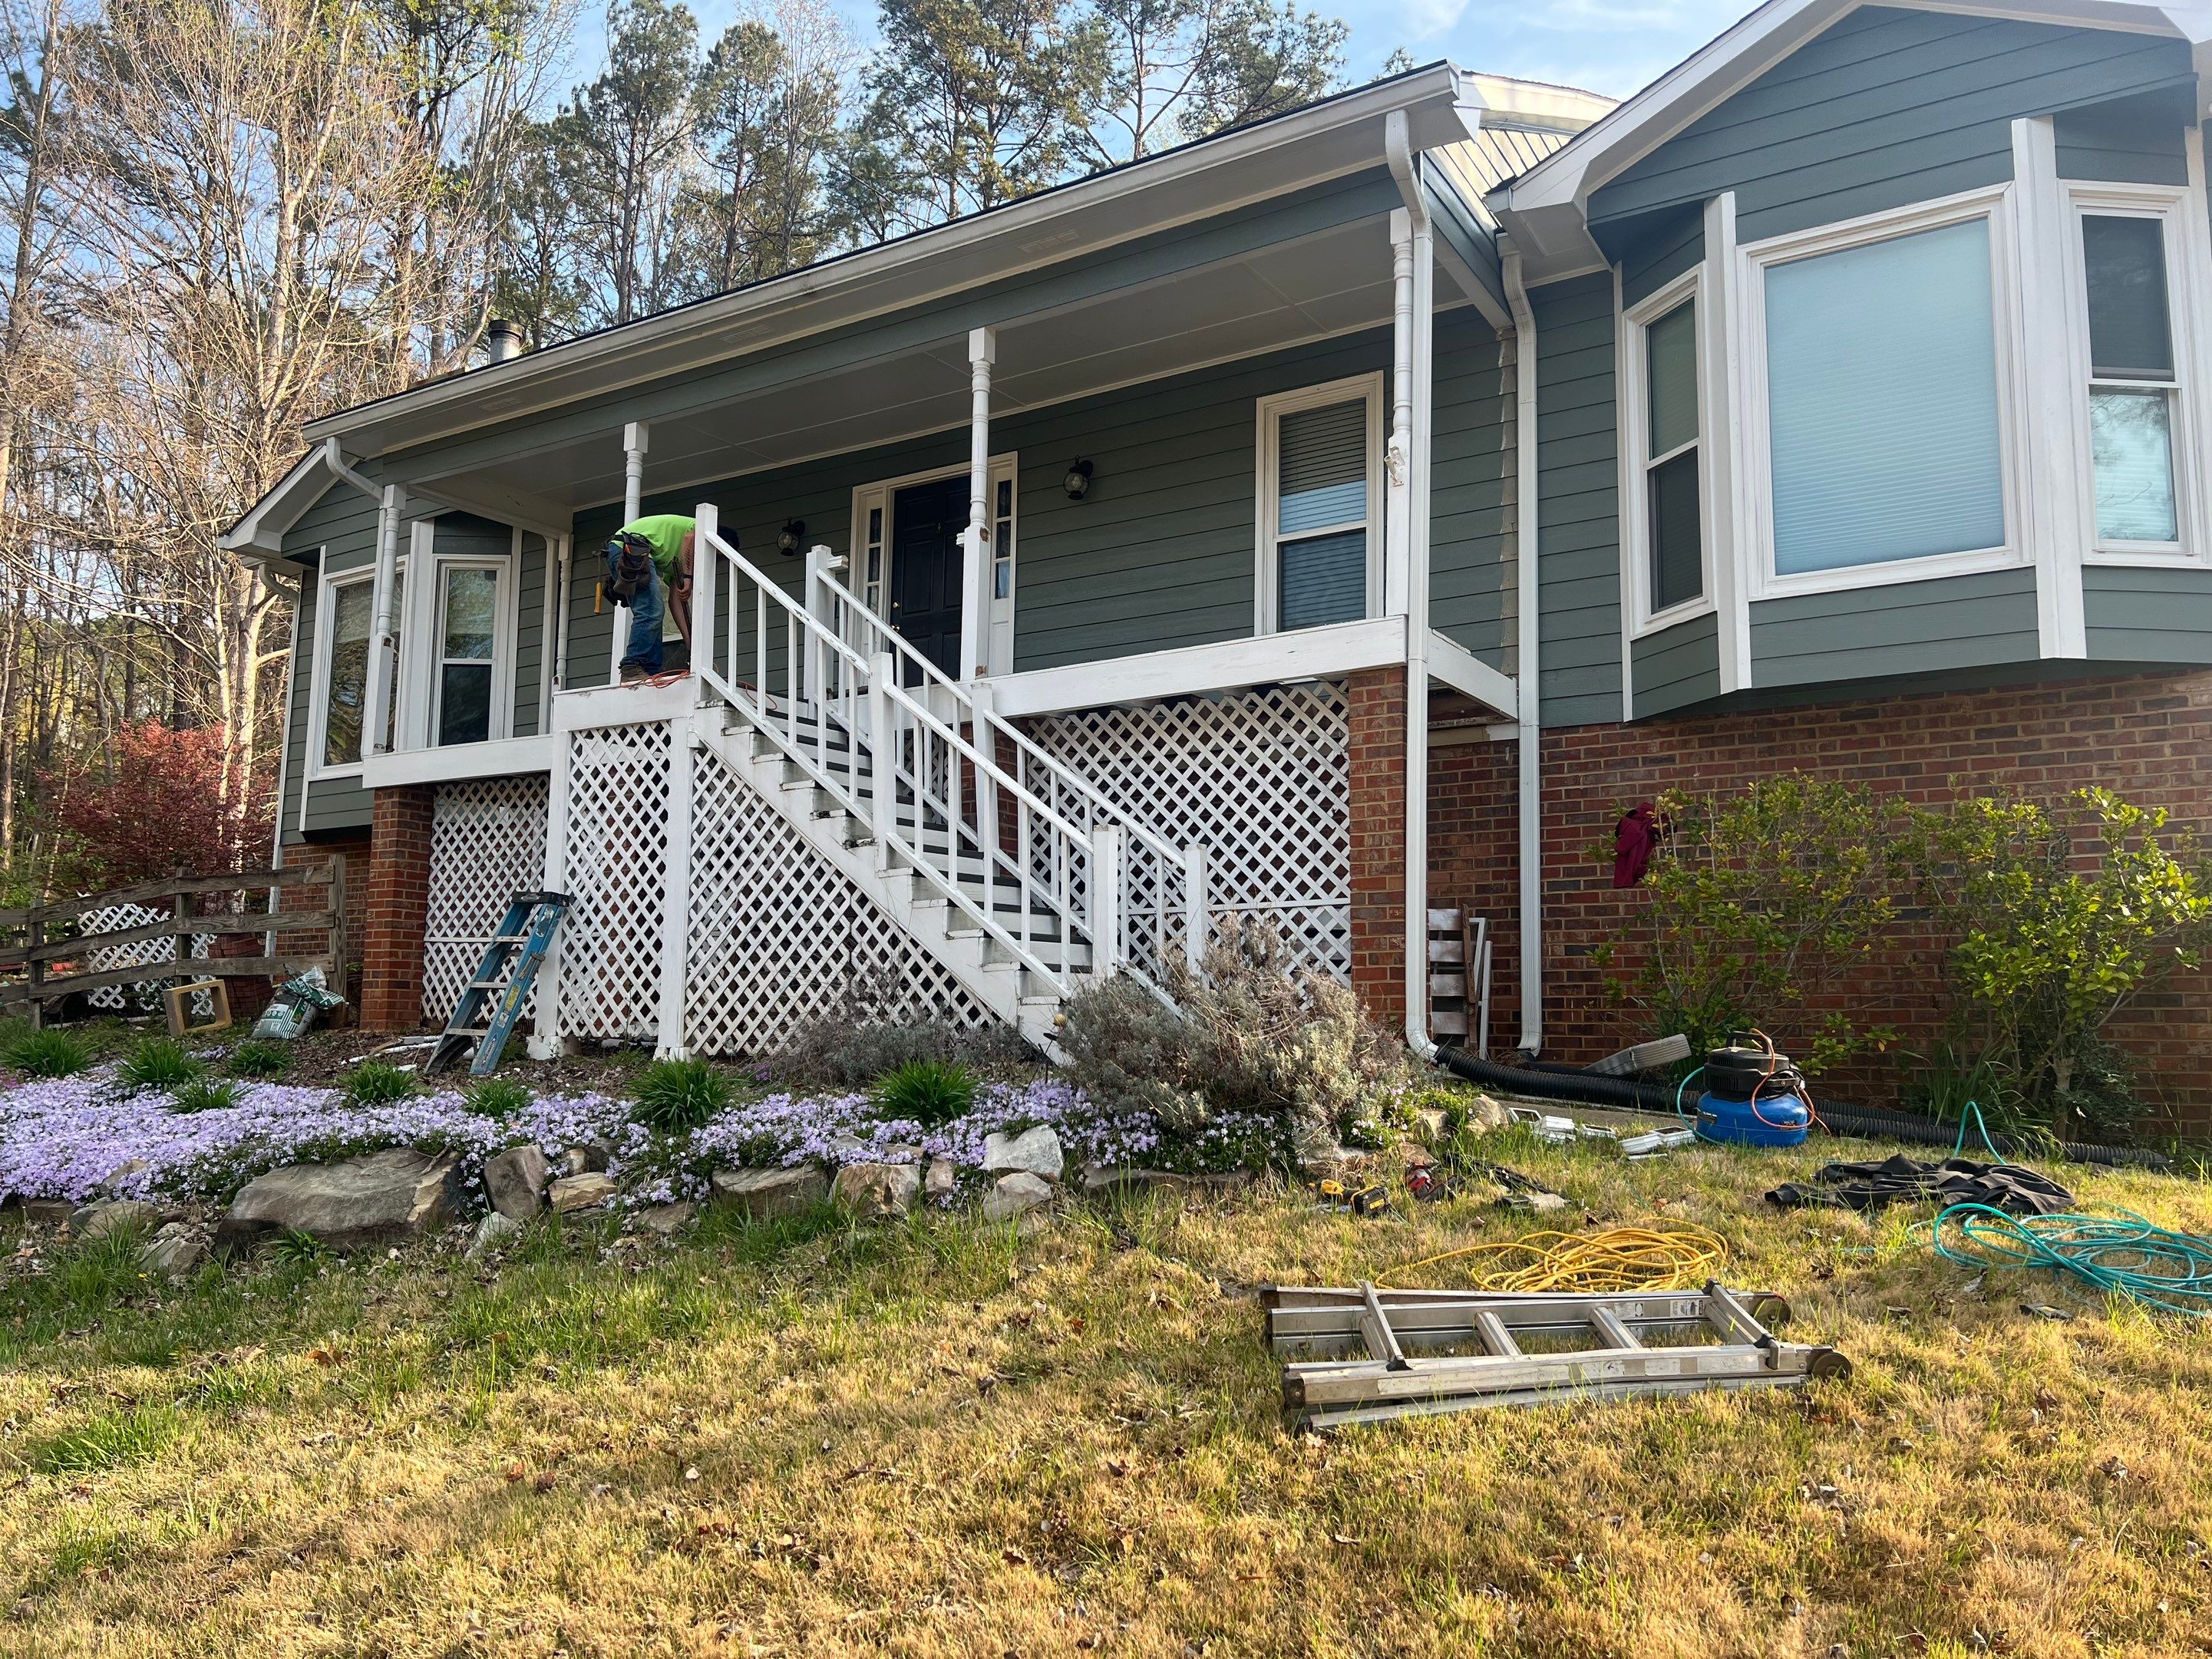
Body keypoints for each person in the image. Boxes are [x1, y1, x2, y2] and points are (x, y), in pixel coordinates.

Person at [604, 513, 695, 682]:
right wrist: (689, 578)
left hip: (629, 550)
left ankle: (650, 670)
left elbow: (674, 600)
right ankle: (631, 666)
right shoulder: (701, 526)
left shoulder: (680, 560)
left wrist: (688, 640)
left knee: (655, 613)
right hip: (631, 547)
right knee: (651, 611)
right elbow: (691, 537)